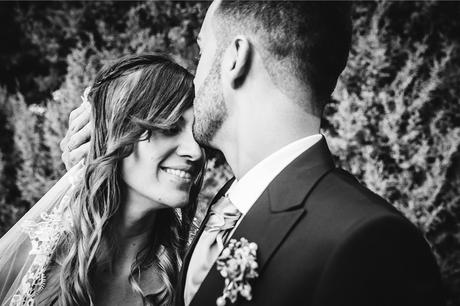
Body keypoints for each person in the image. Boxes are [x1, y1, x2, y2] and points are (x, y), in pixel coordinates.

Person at [61, 1, 446, 306]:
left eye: (202, 52)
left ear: (235, 58)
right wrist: (94, 169)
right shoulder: (221, 210)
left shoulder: (370, 241)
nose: (194, 79)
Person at [0, 54, 204, 306]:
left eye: (198, 134)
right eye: (170, 128)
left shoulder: (195, 268)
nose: (195, 152)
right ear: (110, 133)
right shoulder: (27, 266)